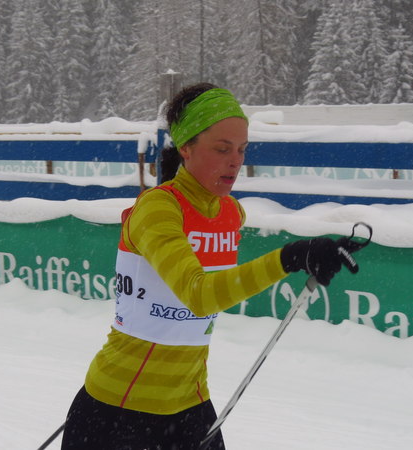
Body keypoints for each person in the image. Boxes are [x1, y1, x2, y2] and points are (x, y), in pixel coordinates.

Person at [61, 83, 354, 449]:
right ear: (186, 147)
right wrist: (290, 258)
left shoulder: (230, 213)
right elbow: (198, 296)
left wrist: (310, 256)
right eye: (222, 148)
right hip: (121, 407)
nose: (236, 161)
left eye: (242, 149)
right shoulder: (157, 208)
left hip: (190, 404)